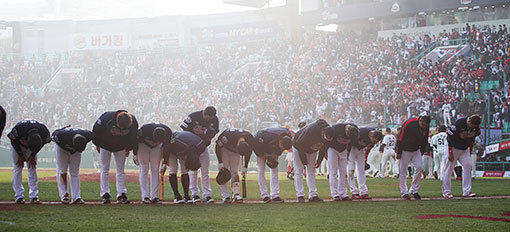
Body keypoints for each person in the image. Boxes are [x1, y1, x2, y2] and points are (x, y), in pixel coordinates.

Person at [93, 110, 138, 204]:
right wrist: (97, 144)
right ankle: (105, 194)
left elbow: (133, 136)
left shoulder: (133, 121)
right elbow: (96, 130)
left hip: (121, 146)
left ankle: (121, 194)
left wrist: (128, 148)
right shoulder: (106, 118)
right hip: (105, 145)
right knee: (104, 169)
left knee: (121, 170)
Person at [181, 106, 219, 203]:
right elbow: (184, 129)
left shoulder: (215, 119)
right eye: (208, 117)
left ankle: (207, 195)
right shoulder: (194, 116)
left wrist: (208, 137)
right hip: (192, 148)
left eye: (211, 118)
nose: (210, 120)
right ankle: (195, 194)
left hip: (203, 147)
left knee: (205, 171)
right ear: (204, 113)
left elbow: (214, 132)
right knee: (193, 171)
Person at [8, 119, 51, 204]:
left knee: (32, 168)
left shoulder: (43, 131)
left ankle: (34, 196)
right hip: (18, 145)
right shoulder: (20, 128)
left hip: (33, 148)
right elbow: (12, 139)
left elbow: (42, 143)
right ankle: (19, 196)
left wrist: (32, 155)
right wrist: (20, 155)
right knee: (17, 168)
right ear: (27, 138)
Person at [442, 114, 481, 199]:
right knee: (448, 169)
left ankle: (467, 191)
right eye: (472, 125)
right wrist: (450, 152)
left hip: (464, 148)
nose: (473, 127)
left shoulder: (476, 128)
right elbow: (449, 137)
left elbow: (472, 140)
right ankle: (446, 192)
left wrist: (470, 151)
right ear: (469, 121)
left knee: (468, 166)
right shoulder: (459, 123)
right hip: (453, 147)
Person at [317, 122, 358, 201]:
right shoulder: (336, 128)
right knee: (333, 172)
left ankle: (343, 194)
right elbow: (327, 140)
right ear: (346, 131)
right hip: (332, 149)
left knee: (344, 173)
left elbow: (352, 142)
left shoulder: (355, 130)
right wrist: (325, 153)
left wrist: (348, 152)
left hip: (343, 150)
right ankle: (335, 194)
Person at [292, 119, 331, 202]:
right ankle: (300, 195)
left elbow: (323, 147)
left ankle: (313, 195)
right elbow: (299, 143)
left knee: (311, 170)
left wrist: (319, 160)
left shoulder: (328, 133)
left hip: (311, 149)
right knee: (299, 170)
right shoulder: (311, 131)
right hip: (298, 146)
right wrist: (304, 160)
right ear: (322, 132)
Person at [52, 126, 93, 204]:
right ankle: (64, 196)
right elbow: (53, 134)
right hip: (62, 149)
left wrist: (76, 149)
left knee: (75, 172)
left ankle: (76, 197)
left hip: (76, 151)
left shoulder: (88, 135)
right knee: (62, 171)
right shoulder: (61, 135)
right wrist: (63, 128)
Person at [134, 123, 172, 204]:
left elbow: (167, 147)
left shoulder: (168, 132)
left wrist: (165, 162)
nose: (155, 142)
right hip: (143, 145)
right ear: (152, 134)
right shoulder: (144, 129)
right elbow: (135, 140)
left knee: (155, 169)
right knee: (144, 169)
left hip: (156, 148)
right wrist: (135, 153)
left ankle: (155, 196)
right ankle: (145, 196)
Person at [253, 127, 293, 203]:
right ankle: (264, 195)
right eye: (283, 147)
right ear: (280, 141)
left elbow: (278, 152)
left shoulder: (288, 137)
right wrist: (264, 156)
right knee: (261, 170)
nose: (283, 149)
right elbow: (255, 146)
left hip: (272, 148)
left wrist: (275, 156)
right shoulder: (265, 136)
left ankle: (275, 195)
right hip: (260, 147)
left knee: (275, 169)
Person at [163, 131, 204, 204]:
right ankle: (176, 196)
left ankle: (186, 195)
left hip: (186, 149)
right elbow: (167, 147)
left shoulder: (201, 146)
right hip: (172, 149)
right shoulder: (177, 144)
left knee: (184, 171)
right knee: (173, 169)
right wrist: (165, 162)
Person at [396, 115, 430, 200]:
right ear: (420, 120)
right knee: (403, 171)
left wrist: (421, 151)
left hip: (416, 149)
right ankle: (404, 192)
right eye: (422, 124)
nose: (424, 126)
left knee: (419, 167)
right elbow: (400, 137)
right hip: (405, 149)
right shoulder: (409, 123)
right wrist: (399, 151)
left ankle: (414, 190)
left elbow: (424, 140)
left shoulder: (426, 127)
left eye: (425, 125)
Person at [215, 128, 254, 203]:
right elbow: (217, 146)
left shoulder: (250, 138)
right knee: (223, 171)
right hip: (224, 149)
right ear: (237, 145)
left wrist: (245, 167)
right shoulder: (227, 136)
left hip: (234, 152)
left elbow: (248, 153)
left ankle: (236, 194)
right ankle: (225, 195)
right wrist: (220, 162)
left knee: (235, 172)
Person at [347, 128, 382, 199]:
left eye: (377, 141)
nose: (375, 142)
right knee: (351, 169)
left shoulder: (374, 138)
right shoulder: (362, 131)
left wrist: (365, 159)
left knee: (361, 170)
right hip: (352, 148)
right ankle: (354, 192)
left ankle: (363, 191)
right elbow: (350, 140)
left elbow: (369, 148)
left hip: (361, 150)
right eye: (374, 140)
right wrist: (347, 152)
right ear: (372, 136)